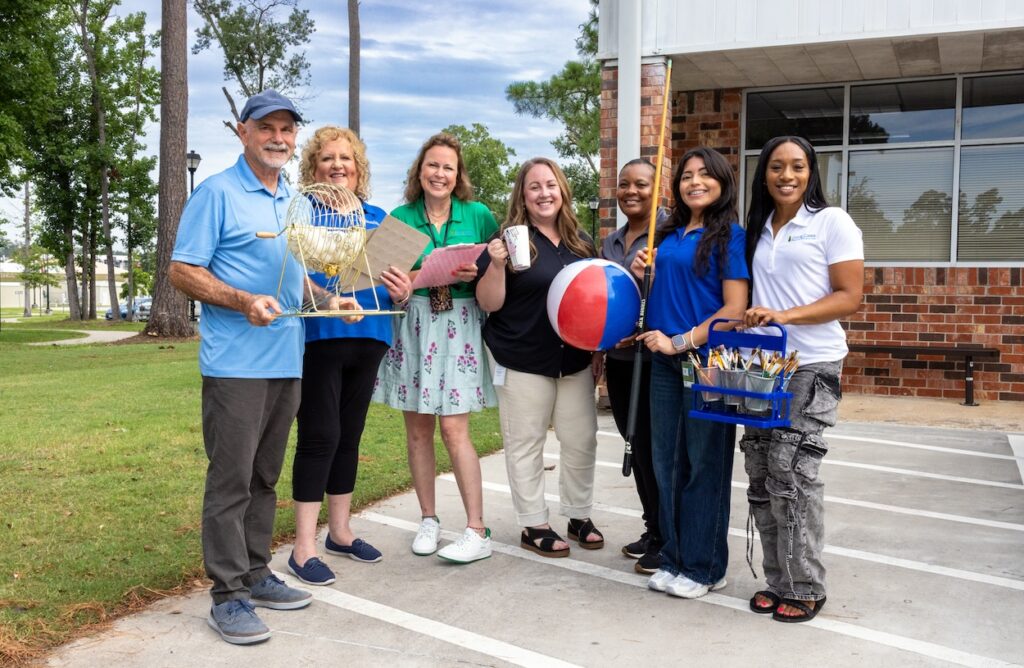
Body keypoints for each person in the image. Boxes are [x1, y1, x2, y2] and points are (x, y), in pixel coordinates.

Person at [169, 90, 359, 645]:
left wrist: (329, 300)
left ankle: (255, 573)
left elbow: (293, 276)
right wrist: (241, 300)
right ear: (242, 131)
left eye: (287, 129)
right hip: (235, 366)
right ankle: (227, 596)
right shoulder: (217, 193)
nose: (279, 137)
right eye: (267, 127)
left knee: (264, 477)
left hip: (286, 361)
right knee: (231, 480)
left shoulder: (292, 200)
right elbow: (183, 270)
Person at [740, 135, 864, 623]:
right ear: (764, 174)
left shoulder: (832, 222)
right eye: (776, 167)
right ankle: (777, 579)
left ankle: (806, 585)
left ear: (811, 172)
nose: (786, 175)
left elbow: (849, 295)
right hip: (762, 365)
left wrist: (783, 315)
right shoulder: (758, 227)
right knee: (759, 473)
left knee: (793, 474)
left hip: (812, 364)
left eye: (796, 166)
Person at [287, 126, 413, 586]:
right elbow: (295, 279)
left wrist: (404, 288)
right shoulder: (302, 215)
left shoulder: (380, 217)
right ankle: (303, 548)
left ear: (359, 170)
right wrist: (328, 299)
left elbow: (396, 285)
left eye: (347, 159)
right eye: (327, 159)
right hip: (321, 336)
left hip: (372, 335)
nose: (338, 165)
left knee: (350, 435)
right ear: (313, 169)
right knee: (320, 434)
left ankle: (339, 532)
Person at [373, 132, 497, 563]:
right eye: (432, 165)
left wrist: (474, 274)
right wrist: (402, 289)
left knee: (454, 429)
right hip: (415, 322)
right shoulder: (400, 217)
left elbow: (499, 271)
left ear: (457, 174)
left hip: (460, 323)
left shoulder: (478, 215)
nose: (439, 173)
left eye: (448, 167)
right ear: (419, 171)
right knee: (418, 430)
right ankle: (428, 518)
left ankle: (477, 529)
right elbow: (385, 281)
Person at [632, 147, 749, 599]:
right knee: (667, 464)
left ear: (722, 182)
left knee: (705, 465)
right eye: (686, 176)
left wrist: (682, 341)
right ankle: (677, 558)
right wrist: (646, 271)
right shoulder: (667, 235)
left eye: (705, 174)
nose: (694, 181)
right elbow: (660, 293)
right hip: (663, 362)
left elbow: (734, 310)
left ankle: (705, 566)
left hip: (706, 364)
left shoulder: (730, 236)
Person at [476, 157, 604, 558]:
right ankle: (533, 523)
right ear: (523, 196)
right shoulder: (510, 241)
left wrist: (598, 345)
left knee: (581, 439)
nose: (544, 193)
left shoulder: (581, 241)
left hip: (574, 360)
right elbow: (489, 302)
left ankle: (578, 515)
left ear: (562, 190)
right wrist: (495, 264)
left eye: (550, 185)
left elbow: (594, 298)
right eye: (534, 187)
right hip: (523, 358)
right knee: (525, 443)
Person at [600, 158, 666, 574]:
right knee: (634, 445)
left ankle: (667, 534)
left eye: (641, 184)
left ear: (657, 188)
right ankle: (652, 528)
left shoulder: (670, 234)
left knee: (655, 450)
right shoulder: (611, 242)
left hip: (655, 359)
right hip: (620, 359)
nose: (631, 191)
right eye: (624, 184)